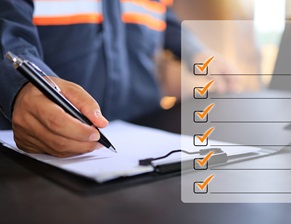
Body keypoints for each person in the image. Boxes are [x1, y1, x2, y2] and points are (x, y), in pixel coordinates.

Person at [0, 0, 237, 157]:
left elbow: (163, 15)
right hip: (45, 145)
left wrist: (197, 51)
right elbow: (7, 25)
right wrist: (19, 86)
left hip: (147, 128)